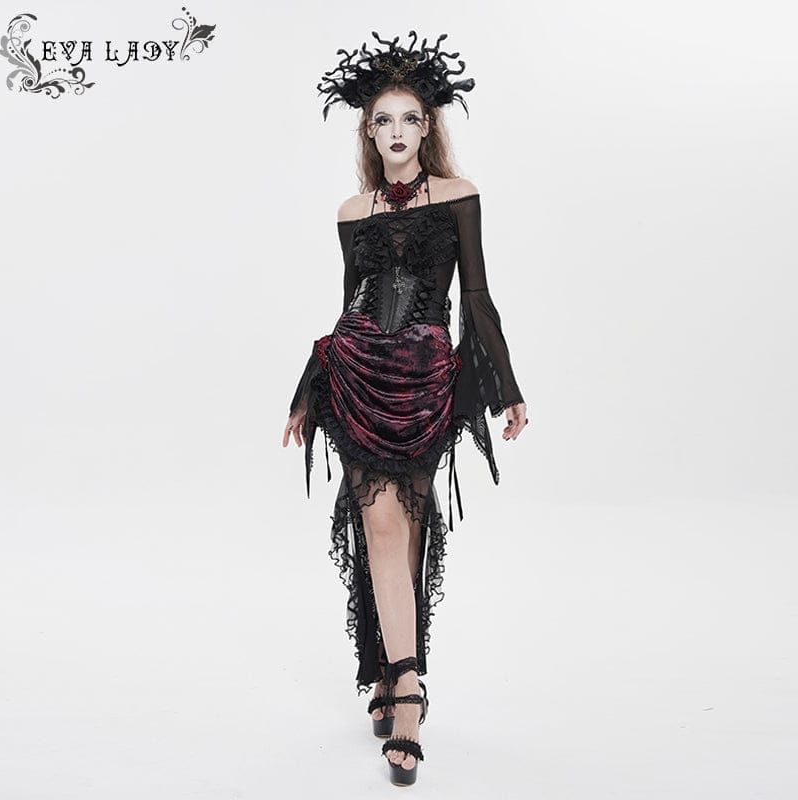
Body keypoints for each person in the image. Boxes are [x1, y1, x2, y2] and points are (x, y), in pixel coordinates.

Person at [281, 30, 529, 787]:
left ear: (428, 128)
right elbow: (347, 304)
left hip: (423, 379)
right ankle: (409, 691)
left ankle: (395, 677)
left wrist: (507, 385)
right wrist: (307, 387)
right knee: (380, 526)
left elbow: (476, 297)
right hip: (359, 371)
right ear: (368, 129)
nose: (396, 131)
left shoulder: (457, 196)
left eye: (409, 119)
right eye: (383, 120)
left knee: (408, 532)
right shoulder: (351, 211)